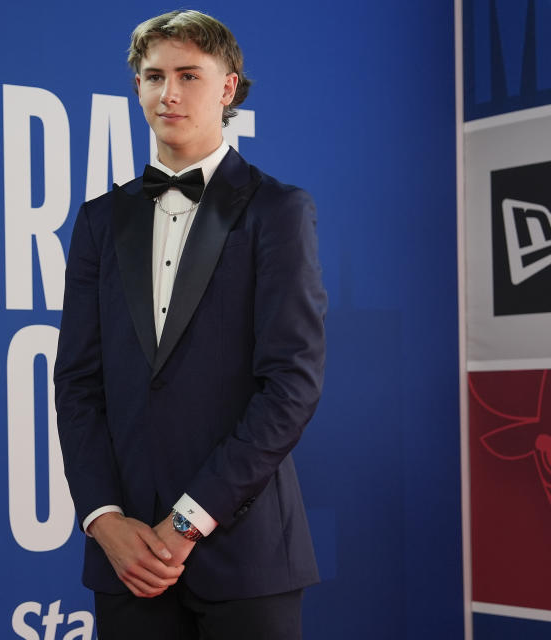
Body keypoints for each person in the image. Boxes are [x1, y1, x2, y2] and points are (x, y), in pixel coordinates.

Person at [54, 10, 327, 639]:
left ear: (227, 88)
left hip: (246, 556)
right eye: (152, 77)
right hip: (126, 563)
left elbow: (291, 386)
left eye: (188, 75)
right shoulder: (100, 219)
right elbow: (77, 383)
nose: (167, 93)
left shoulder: (278, 210)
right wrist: (102, 518)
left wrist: (185, 523)